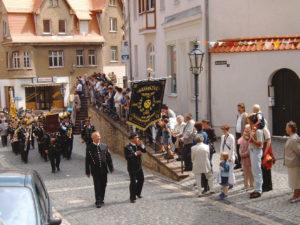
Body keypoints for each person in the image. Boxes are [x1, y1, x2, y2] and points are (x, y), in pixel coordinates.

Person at [86, 131, 114, 208]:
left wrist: (111, 167)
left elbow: (108, 157)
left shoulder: (104, 146)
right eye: (97, 137)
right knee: (97, 185)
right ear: (93, 138)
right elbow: (87, 160)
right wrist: (87, 171)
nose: (99, 138)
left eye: (99, 136)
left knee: (103, 184)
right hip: (95, 170)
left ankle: (101, 198)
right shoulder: (89, 147)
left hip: (104, 169)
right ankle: (98, 201)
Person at [124, 132, 147, 203]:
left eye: (138, 137)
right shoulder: (127, 147)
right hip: (132, 167)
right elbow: (127, 157)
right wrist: (135, 153)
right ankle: (132, 197)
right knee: (133, 182)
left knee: (141, 179)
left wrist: (142, 145)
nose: (138, 138)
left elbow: (144, 151)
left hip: (139, 166)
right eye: (136, 137)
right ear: (132, 139)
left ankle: (137, 193)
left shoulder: (138, 145)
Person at [284, 121, 300, 203]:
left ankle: (297, 196)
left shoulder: (294, 138)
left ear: (290, 128)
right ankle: (295, 195)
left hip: (295, 163)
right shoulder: (291, 137)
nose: (285, 129)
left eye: (286, 127)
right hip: (291, 163)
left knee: (296, 180)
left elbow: (298, 151)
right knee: (294, 180)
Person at [248, 114, 264, 199]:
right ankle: (256, 188)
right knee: (254, 170)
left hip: (256, 151)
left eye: (250, 122)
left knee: (257, 170)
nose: (249, 124)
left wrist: (252, 138)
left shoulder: (258, 131)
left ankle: (259, 190)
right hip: (252, 151)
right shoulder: (254, 130)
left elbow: (260, 144)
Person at [238, 124, 254, 190]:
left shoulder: (250, 139)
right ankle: (245, 185)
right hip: (243, 159)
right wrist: (240, 153)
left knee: (250, 172)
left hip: (248, 158)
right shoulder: (242, 138)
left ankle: (252, 185)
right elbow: (240, 147)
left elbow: (249, 150)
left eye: (247, 130)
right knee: (245, 172)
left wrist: (243, 154)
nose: (246, 131)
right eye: (245, 130)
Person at [262, 126, 274, 192]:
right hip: (264, 150)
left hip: (266, 151)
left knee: (267, 168)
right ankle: (266, 185)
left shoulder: (265, 130)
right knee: (264, 169)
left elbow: (268, 142)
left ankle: (268, 186)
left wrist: (265, 152)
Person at [235, 103, 248, 169]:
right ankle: (239, 163)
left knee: (242, 149)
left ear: (243, 108)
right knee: (238, 149)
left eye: (239, 108)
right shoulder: (238, 115)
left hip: (242, 134)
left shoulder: (245, 115)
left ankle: (244, 165)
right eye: (238, 108)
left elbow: (247, 125)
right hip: (238, 134)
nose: (238, 109)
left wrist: (245, 135)